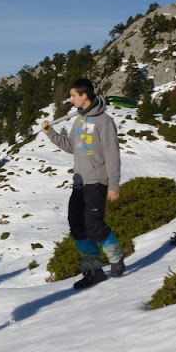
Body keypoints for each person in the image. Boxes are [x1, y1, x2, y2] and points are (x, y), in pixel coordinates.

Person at [41, 78, 125, 289]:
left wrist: (113, 184)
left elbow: (112, 154)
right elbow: (72, 147)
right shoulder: (77, 121)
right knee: (76, 225)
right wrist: (50, 133)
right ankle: (93, 270)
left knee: (94, 225)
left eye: (73, 96)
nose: (70, 100)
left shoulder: (104, 121)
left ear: (84, 96)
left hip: (97, 181)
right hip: (79, 182)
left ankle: (116, 259)